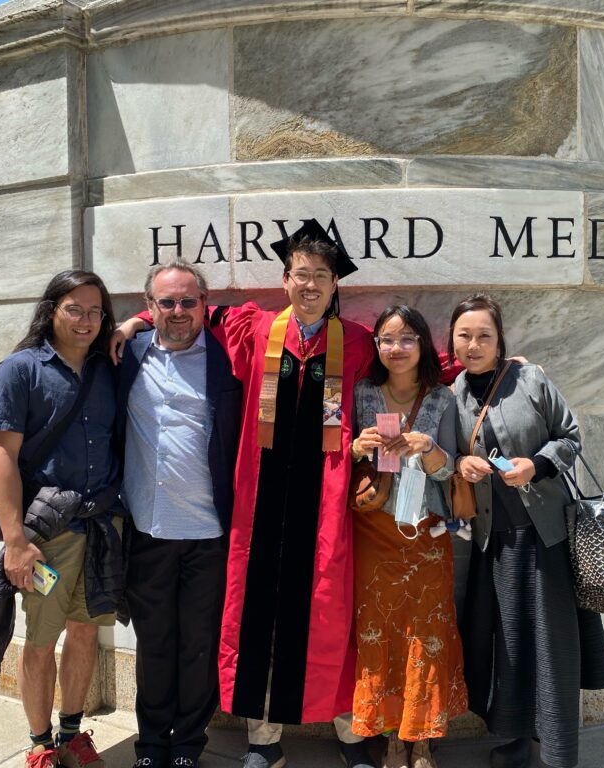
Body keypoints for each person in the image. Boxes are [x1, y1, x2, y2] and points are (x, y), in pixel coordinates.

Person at [111, 221, 377, 768]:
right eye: (300, 274)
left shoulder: (354, 341)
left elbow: (409, 370)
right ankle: (264, 739)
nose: (309, 285)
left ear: (333, 285)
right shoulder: (252, 328)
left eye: (320, 277)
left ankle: (352, 734)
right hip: (257, 504)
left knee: (327, 612)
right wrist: (133, 318)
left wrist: (485, 366)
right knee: (256, 616)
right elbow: (187, 311)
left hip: (323, 507)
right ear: (283, 279)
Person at [449, 294, 604, 768]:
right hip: (492, 541)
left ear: (500, 341)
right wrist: (464, 463)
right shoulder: (453, 393)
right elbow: (449, 456)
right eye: (465, 335)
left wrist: (536, 464)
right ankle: (513, 736)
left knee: (552, 644)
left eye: (484, 335)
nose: (474, 344)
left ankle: (556, 748)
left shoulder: (530, 379)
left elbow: (571, 435)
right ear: (452, 342)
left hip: (545, 537)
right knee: (508, 645)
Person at [0, 270, 122, 768]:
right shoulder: (19, 370)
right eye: (75, 309)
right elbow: (1, 456)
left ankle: (72, 735)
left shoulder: (107, 368)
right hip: (47, 535)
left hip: (100, 527)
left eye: (96, 312)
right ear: (52, 311)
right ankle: (40, 744)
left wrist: (129, 327)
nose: (87, 320)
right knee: (42, 642)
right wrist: (16, 540)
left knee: (86, 632)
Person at [116, 261, 242, 768]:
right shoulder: (127, 355)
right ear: (150, 307)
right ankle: (151, 745)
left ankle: (189, 743)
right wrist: (127, 326)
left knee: (198, 647)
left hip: (209, 533)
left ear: (204, 304)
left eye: (189, 301)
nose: (178, 311)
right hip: (149, 529)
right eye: (166, 302)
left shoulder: (227, 358)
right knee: (154, 645)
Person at [349, 306, 468, 768]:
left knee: (427, 632)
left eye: (406, 339)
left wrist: (429, 447)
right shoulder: (362, 393)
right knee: (378, 634)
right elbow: (340, 452)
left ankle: (422, 739)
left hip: (424, 531)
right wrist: (357, 446)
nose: (395, 349)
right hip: (373, 530)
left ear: (422, 344)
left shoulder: (441, 398)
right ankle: (391, 736)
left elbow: (455, 467)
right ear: (376, 346)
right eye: (386, 339)